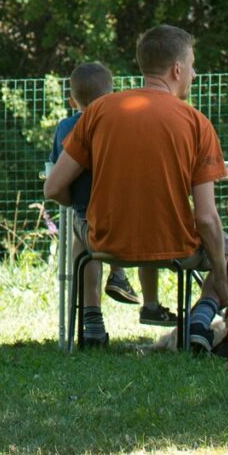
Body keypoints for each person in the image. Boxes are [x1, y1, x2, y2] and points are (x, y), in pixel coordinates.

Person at [43, 23, 228, 353]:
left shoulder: (98, 112)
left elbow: (53, 188)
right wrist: (220, 274)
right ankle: (201, 319)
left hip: (106, 244)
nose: (194, 74)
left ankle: (91, 319)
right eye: (192, 65)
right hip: (176, 247)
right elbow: (206, 219)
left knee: (79, 228)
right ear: (177, 69)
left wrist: (85, 213)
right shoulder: (197, 124)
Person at [48, 62, 145, 312]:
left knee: (81, 230)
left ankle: (91, 314)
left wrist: (71, 201)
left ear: (72, 101)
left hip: (90, 219)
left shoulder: (66, 127)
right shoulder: (125, 125)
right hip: (134, 223)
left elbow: (55, 178)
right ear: (112, 96)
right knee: (108, 214)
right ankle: (120, 275)